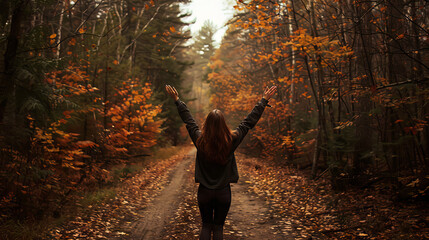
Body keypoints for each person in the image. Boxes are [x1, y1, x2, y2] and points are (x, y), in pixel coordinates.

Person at [165, 85, 277, 240]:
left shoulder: (200, 140)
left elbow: (189, 120)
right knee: (218, 228)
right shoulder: (232, 140)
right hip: (223, 193)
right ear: (224, 124)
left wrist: (177, 100)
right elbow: (248, 123)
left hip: (204, 192)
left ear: (207, 124)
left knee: (205, 226)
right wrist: (263, 101)